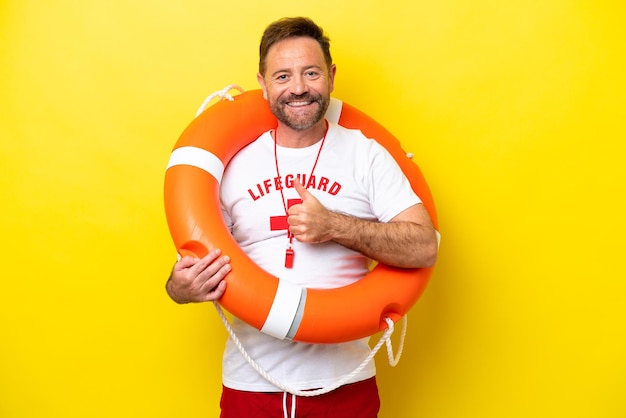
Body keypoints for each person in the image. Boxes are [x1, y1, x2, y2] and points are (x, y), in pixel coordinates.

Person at [165, 16, 438, 418]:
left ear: (330, 76)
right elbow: (190, 263)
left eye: (311, 73)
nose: (298, 88)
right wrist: (179, 286)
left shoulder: (366, 154)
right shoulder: (231, 164)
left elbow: (424, 246)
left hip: (345, 386)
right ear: (261, 83)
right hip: (250, 387)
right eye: (282, 76)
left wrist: (336, 226)